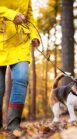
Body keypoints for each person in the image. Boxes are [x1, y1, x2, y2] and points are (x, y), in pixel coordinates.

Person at [0, 0, 40, 131]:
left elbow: (29, 15)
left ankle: (13, 126)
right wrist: (11, 14)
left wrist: (34, 35)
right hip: (1, 39)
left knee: (21, 79)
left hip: (20, 41)